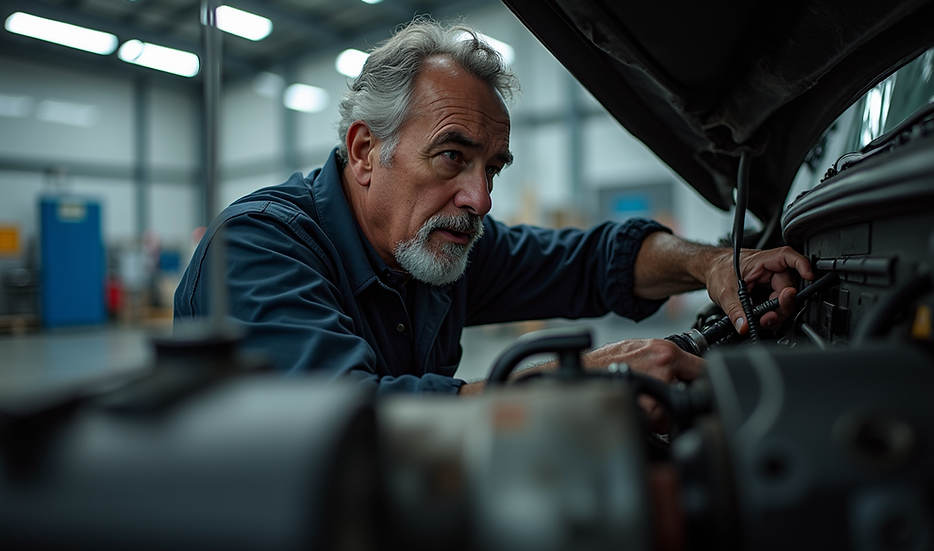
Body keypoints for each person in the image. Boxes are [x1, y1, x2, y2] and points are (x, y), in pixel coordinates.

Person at [173, 19, 813, 410]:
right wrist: (577, 387)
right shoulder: (258, 249)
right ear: (366, 150)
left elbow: (593, 261)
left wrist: (713, 266)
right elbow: (346, 419)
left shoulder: (431, 250)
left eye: (492, 168)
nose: (479, 199)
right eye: (452, 156)